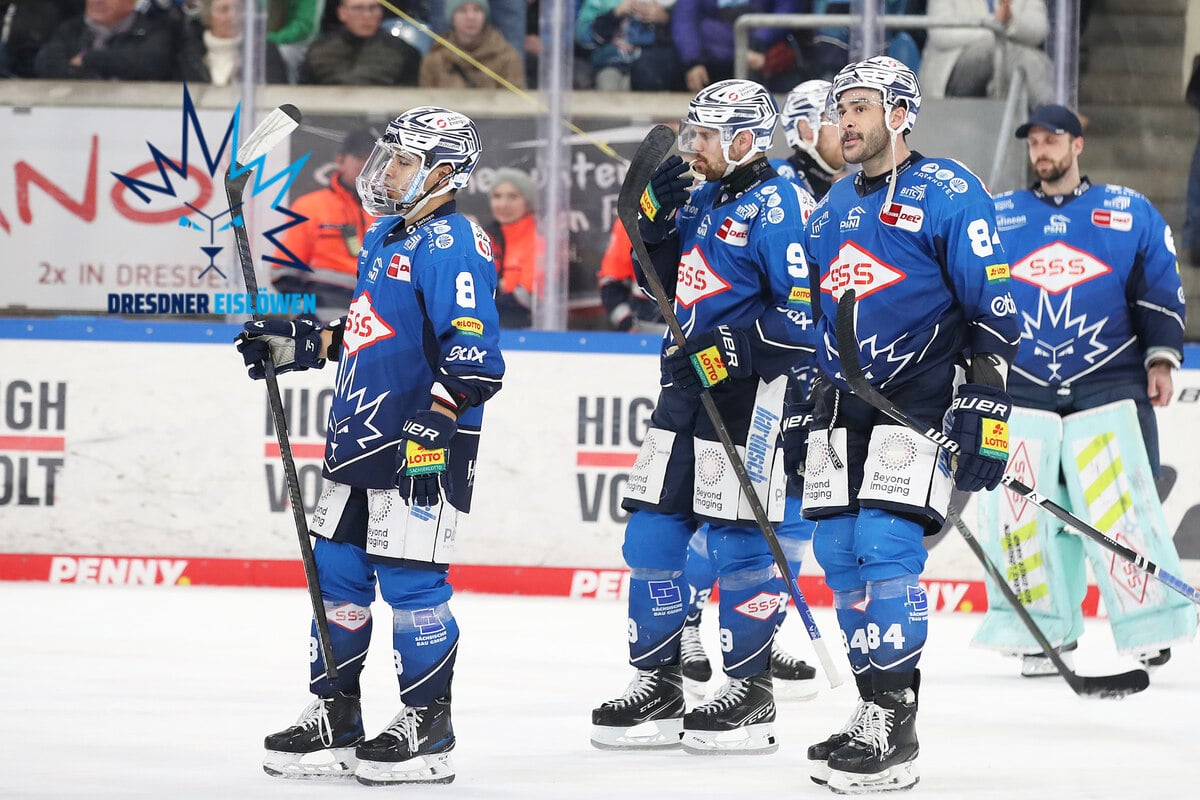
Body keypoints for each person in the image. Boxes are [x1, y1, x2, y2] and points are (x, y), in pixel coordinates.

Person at [238, 106, 505, 786]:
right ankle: (337, 712)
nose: (385, 172)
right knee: (337, 579)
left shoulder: (454, 243)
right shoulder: (387, 236)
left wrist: (440, 416)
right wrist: (301, 342)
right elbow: (369, 332)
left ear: (446, 172)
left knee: (413, 585)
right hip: (358, 438)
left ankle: (429, 723)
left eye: (405, 161)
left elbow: (473, 353)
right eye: (388, 157)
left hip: (420, 445)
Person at [798, 56, 1019, 793]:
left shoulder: (950, 190)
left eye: (860, 107)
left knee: (884, 545)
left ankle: (896, 723)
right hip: (840, 402)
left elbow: (993, 305)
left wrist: (987, 412)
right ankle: (873, 708)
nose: (847, 122)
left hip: (920, 396)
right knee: (837, 550)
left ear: (899, 111)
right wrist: (807, 401)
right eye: (841, 109)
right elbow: (818, 317)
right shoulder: (829, 207)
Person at [589, 79, 817, 755]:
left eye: (707, 136)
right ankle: (656, 681)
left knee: (741, 542)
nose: (694, 147)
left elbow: (801, 323)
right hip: (683, 395)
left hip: (748, 401)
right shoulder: (708, 196)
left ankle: (750, 692)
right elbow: (658, 284)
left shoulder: (782, 204)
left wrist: (721, 355)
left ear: (747, 139)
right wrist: (652, 225)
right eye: (694, 134)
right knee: (653, 537)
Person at [974, 104, 1197, 678]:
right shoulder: (999, 216)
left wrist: (1161, 358)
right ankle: (1040, 634)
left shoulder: (1127, 211)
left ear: (1077, 145)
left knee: (1121, 506)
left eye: (1052, 140)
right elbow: (972, 293)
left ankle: (1148, 626)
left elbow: (1159, 286)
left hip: (1109, 380)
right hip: (1024, 387)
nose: (1040, 151)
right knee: (1021, 515)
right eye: (1034, 142)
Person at [270, 128, 378, 323]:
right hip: (322, 326)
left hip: (374, 326)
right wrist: (305, 316)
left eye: (374, 160)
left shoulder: (389, 213)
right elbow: (283, 273)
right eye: (361, 158)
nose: (367, 166)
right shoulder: (310, 207)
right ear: (340, 160)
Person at [919, 0, 1054, 109]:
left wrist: (1010, 21)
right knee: (995, 49)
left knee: (1034, 59)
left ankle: (1052, 115)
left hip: (1009, 65)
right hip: (953, 71)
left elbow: (1039, 29)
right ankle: (1055, 114)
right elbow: (940, 33)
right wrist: (994, 27)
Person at [670, 0, 807, 93]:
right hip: (712, 62)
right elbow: (685, 18)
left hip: (763, 55)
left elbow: (787, 8)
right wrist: (693, 62)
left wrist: (758, 43)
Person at [33, 0, 178, 80]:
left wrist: (88, 59)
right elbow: (46, 62)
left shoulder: (153, 30)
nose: (97, 1)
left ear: (130, 2)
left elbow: (149, 64)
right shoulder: (71, 29)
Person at [299, 0, 421, 86]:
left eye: (373, 8)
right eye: (358, 8)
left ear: (381, 13)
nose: (367, 15)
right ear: (342, 13)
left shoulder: (404, 52)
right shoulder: (318, 52)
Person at [575, 0, 682, 92]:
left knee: (649, 83)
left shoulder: (667, 4)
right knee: (608, 85)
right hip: (609, 63)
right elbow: (584, 38)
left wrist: (665, 18)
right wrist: (615, 13)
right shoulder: (599, 2)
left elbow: (687, 31)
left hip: (651, 67)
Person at [418, 0, 526, 89]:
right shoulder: (434, 60)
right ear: (452, 17)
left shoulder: (508, 57)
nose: (471, 17)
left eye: (477, 10)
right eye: (462, 11)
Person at [485, 167, 543, 328]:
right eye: (497, 196)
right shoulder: (483, 236)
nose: (503, 204)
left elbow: (527, 296)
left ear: (528, 202)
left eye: (513, 197)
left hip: (527, 332)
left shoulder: (540, 238)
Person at [775, 78, 849, 200]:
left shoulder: (850, 187)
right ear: (806, 130)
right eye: (836, 118)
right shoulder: (777, 179)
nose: (848, 127)